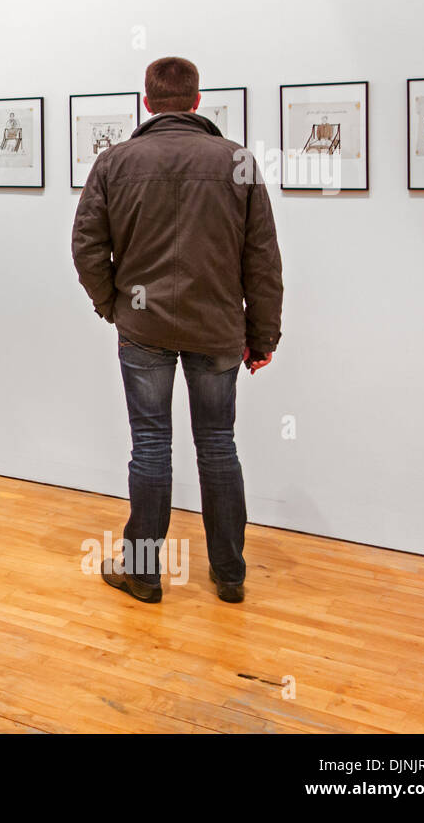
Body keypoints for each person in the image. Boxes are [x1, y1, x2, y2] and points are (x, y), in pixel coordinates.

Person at [72, 56, 283, 605]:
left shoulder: (114, 162)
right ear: (196, 101)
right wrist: (263, 337)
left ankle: (144, 574)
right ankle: (230, 573)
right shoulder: (237, 162)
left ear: (146, 102)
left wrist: (113, 305)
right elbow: (262, 259)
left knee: (150, 447)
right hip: (217, 328)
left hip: (143, 327)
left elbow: (87, 247)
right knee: (217, 444)